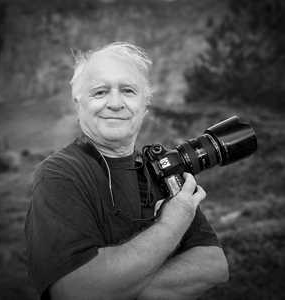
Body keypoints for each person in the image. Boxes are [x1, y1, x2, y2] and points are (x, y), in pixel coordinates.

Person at [24, 42, 229, 300]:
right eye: (100, 92)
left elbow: (214, 265)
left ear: (145, 105)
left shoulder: (161, 168)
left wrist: (117, 288)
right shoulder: (60, 173)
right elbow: (76, 290)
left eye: (129, 91)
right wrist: (172, 222)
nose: (115, 103)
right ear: (79, 103)